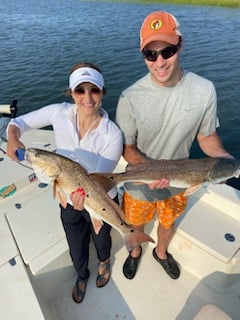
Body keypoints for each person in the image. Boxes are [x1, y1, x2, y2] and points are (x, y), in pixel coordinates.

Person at [116, 11, 234, 280]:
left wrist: (227, 161)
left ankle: (160, 252)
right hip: (140, 182)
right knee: (135, 223)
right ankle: (135, 252)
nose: (160, 61)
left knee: (168, 224)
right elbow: (127, 147)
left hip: (181, 181)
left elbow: (206, 138)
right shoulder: (129, 98)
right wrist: (150, 170)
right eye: (151, 54)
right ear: (143, 54)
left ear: (180, 44)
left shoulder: (205, 90)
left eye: (167, 50)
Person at [7, 62, 123, 303]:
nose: (87, 98)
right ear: (71, 93)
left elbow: (99, 183)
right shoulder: (58, 112)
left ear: (103, 92)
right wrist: (12, 138)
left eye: (94, 90)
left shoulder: (112, 134)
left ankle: (104, 262)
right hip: (67, 197)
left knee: (102, 239)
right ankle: (82, 274)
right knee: (75, 243)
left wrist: (84, 200)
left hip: (100, 199)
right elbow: (18, 123)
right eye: (80, 90)